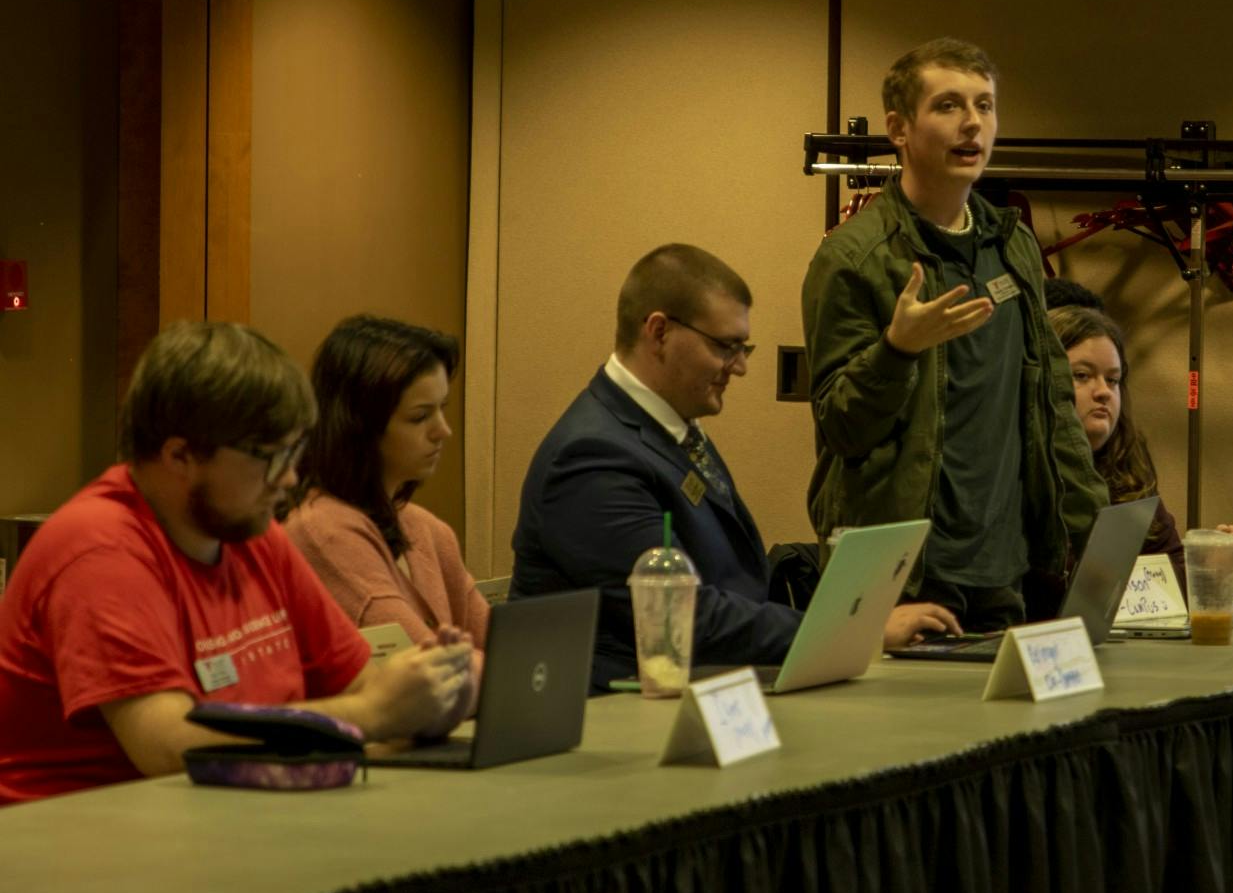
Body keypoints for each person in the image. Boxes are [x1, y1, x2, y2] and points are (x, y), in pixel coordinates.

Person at [0, 321, 473, 806]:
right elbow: (167, 748)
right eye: (270, 458)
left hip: (225, 820)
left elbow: (358, 678)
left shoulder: (253, 532)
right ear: (180, 455)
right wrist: (373, 714)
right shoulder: (99, 550)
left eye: (295, 453)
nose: (290, 478)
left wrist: (430, 691)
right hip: (84, 846)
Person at [513, 244, 958, 690]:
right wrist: (855, 631)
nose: (740, 367)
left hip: (697, 694)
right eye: (726, 347)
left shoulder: (669, 428)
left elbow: (730, 589)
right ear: (659, 332)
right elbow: (686, 618)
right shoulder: (591, 456)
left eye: (745, 348)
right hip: (614, 719)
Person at [802, 38, 1108, 631]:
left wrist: (1096, 535)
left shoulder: (1011, 244)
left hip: (1002, 569)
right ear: (898, 128)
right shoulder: (852, 259)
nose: (973, 124)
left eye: (985, 106)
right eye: (948, 106)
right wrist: (897, 352)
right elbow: (840, 425)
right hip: (902, 575)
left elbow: (1051, 407)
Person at [282, 316, 489, 663]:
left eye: (442, 409)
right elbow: (430, 674)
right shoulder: (323, 532)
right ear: (360, 427)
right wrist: (499, 674)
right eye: (420, 417)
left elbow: (512, 651)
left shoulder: (428, 530)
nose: (443, 431)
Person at [1049, 304, 1233, 596]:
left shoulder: (1126, 470)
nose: (1103, 391)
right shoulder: (1011, 474)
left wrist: (1218, 568)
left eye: (1113, 380)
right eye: (1081, 375)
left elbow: (1166, 571)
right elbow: (1058, 594)